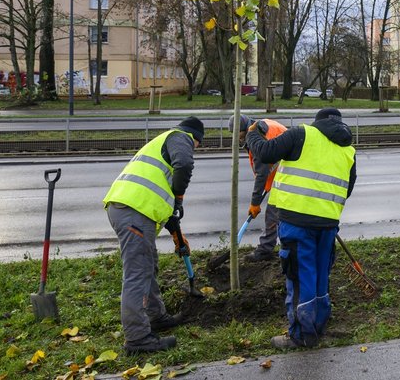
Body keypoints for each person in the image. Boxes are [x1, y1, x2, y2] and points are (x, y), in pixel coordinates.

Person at [245, 107, 356, 349]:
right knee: (319, 276)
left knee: (298, 276)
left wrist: (252, 133)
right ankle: (318, 326)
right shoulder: (348, 150)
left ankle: (300, 335)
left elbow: (264, 152)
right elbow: (347, 188)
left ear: (317, 122)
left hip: (297, 223)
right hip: (327, 224)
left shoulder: (301, 134)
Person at [103, 116, 204, 354]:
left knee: (149, 265)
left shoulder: (162, 145)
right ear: (196, 138)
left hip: (131, 210)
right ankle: (138, 339)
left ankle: (156, 316)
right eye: (198, 145)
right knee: (137, 274)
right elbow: (185, 165)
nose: (196, 148)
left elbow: (158, 195)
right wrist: (179, 197)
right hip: (132, 212)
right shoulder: (180, 137)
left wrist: (175, 231)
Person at [229, 114, 288, 262]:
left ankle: (267, 249)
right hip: (283, 173)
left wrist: (255, 203)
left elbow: (261, 172)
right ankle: (285, 247)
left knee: (273, 214)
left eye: (237, 134)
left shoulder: (254, 136)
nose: (237, 138)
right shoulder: (259, 127)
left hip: (288, 174)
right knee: (281, 214)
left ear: (241, 129)